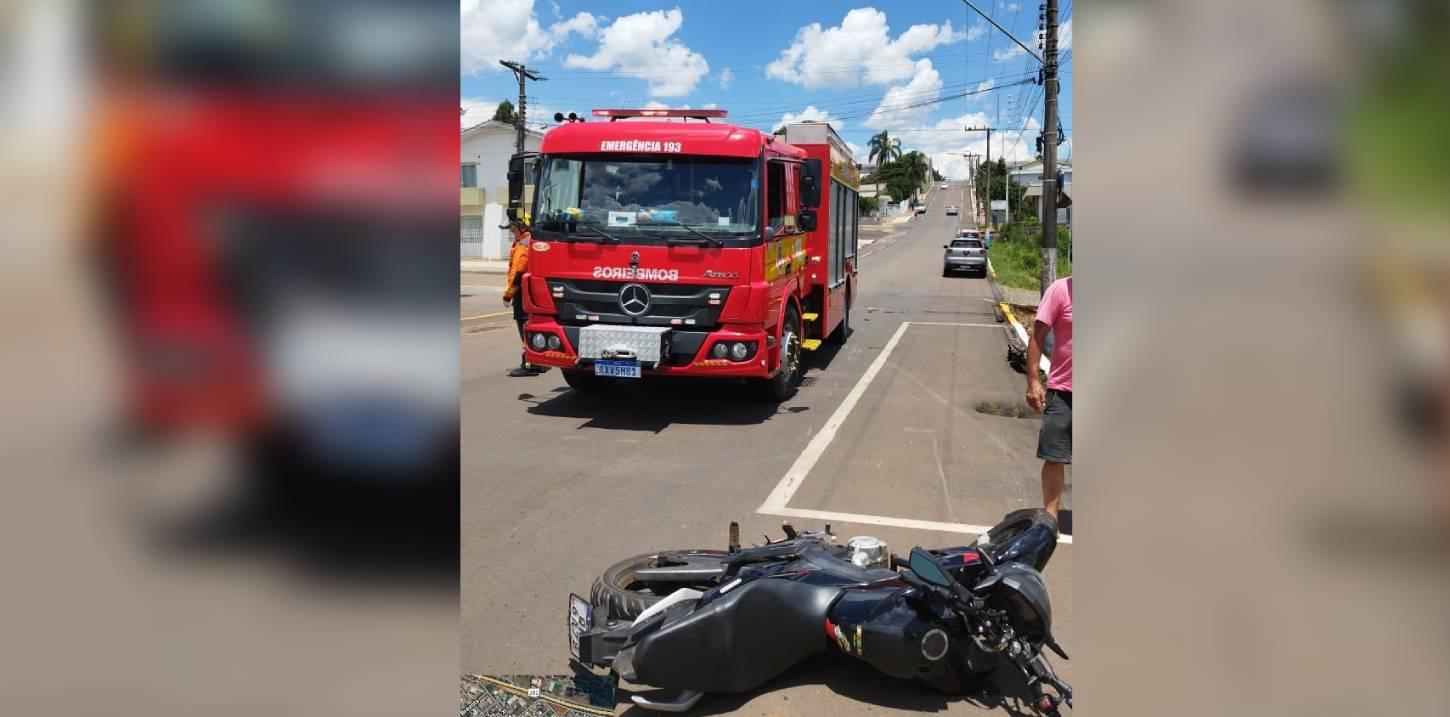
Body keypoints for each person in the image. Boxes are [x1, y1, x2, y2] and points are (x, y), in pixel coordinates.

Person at [1026, 276, 1072, 518]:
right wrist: (1033, 381)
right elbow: (1037, 335)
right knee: (1054, 457)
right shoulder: (1060, 290)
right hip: (1063, 391)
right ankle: (1050, 517)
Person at [502, 214, 549, 377]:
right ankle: (539, 361)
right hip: (531, 290)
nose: (511, 231)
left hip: (521, 291)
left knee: (524, 326)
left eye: (513, 228)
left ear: (521, 227)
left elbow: (518, 271)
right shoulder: (530, 241)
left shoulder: (522, 244)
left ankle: (530, 363)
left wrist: (508, 294)